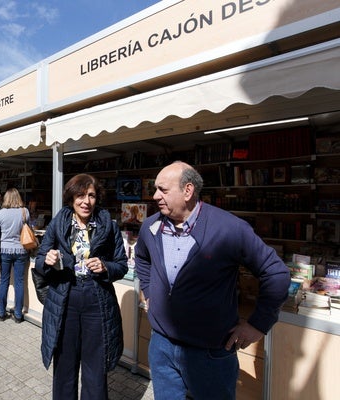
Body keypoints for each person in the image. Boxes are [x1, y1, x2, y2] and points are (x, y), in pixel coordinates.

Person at [134, 161, 291, 399]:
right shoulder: (150, 226)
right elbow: (142, 258)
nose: (155, 196)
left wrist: (258, 324)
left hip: (209, 352)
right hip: (161, 346)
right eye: (156, 189)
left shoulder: (229, 228)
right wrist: (148, 291)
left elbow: (276, 273)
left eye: (163, 190)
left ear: (188, 191)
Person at [34, 173, 128, 399]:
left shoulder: (108, 225)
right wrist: (47, 260)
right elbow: (39, 259)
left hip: (97, 301)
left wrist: (106, 266)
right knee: (64, 365)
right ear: (70, 198)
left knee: (95, 367)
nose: (86, 201)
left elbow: (122, 264)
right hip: (65, 299)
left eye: (92, 195)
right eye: (80, 195)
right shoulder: (59, 222)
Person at [0, 188, 31, 323]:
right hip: (21, 250)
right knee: (20, 282)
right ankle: (18, 315)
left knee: (4, 281)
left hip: (5, 251)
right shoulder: (25, 211)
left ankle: (2, 313)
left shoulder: (0, 213)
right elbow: (29, 229)